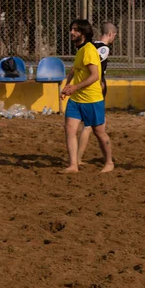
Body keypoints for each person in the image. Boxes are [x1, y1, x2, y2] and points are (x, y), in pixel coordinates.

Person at [60, 19, 113, 173]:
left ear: (83, 33)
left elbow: (94, 76)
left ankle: (109, 162)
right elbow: (75, 70)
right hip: (76, 99)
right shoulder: (81, 50)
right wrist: (67, 87)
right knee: (70, 129)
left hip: (92, 99)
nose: (71, 32)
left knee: (99, 132)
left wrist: (74, 87)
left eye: (75, 30)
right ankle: (73, 165)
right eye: (71, 29)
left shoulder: (89, 50)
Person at [76, 22, 118, 165]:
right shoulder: (104, 49)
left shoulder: (91, 45)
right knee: (91, 125)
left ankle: (86, 156)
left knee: (96, 124)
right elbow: (95, 66)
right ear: (111, 34)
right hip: (97, 85)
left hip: (90, 84)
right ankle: (79, 158)